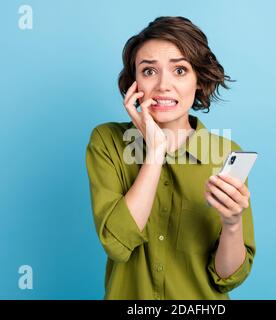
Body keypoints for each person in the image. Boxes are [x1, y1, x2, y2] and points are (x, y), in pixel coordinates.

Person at [85, 16, 256, 300]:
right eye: (149, 71)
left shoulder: (226, 153)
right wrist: (154, 152)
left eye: (179, 70)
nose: (164, 85)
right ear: (134, 83)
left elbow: (228, 278)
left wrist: (232, 223)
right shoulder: (107, 142)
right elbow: (117, 244)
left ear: (199, 80)